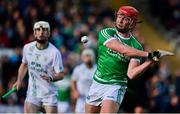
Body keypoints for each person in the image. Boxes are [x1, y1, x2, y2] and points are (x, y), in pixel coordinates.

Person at [85, 6, 160, 113]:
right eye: (120, 16)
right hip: (97, 83)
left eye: (125, 18)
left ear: (133, 23)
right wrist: (149, 54)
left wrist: (150, 61)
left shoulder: (136, 46)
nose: (120, 20)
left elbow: (131, 74)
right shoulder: (106, 33)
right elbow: (122, 49)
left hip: (116, 86)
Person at [13, 21, 64, 113]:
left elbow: (61, 74)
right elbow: (24, 64)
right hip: (33, 94)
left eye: (44, 30)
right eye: (38, 30)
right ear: (34, 33)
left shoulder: (54, 52)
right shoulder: (27, 48)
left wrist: (51, 77)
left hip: (49, 95)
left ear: (48, 33)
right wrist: (19, 80)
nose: (41, 32)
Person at [71, 48, 96, 113]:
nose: (87, 58)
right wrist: (75, 91)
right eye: (85, 56)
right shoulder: (78, 69)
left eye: (89, 55)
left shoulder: (97, 69)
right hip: (81, 98)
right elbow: (73, 81)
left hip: (94, 98)